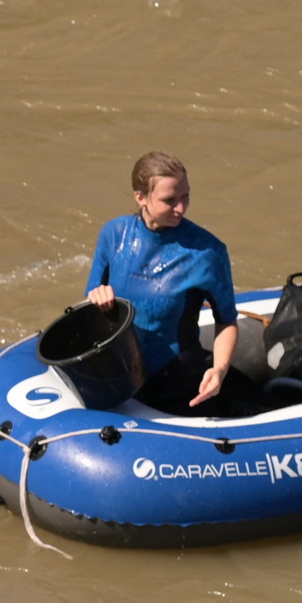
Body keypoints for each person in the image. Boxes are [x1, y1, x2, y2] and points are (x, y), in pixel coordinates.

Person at [85, 151, 244, 414]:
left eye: (185, 196)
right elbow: (91, 296)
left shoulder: (207, 253)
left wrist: (218, 369)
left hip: (178, 384)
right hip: (121, 378)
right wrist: (97, 296)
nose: (181, 208)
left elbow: (226, 321)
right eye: (169, 200)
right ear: (141, 198)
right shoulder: (114, 235)